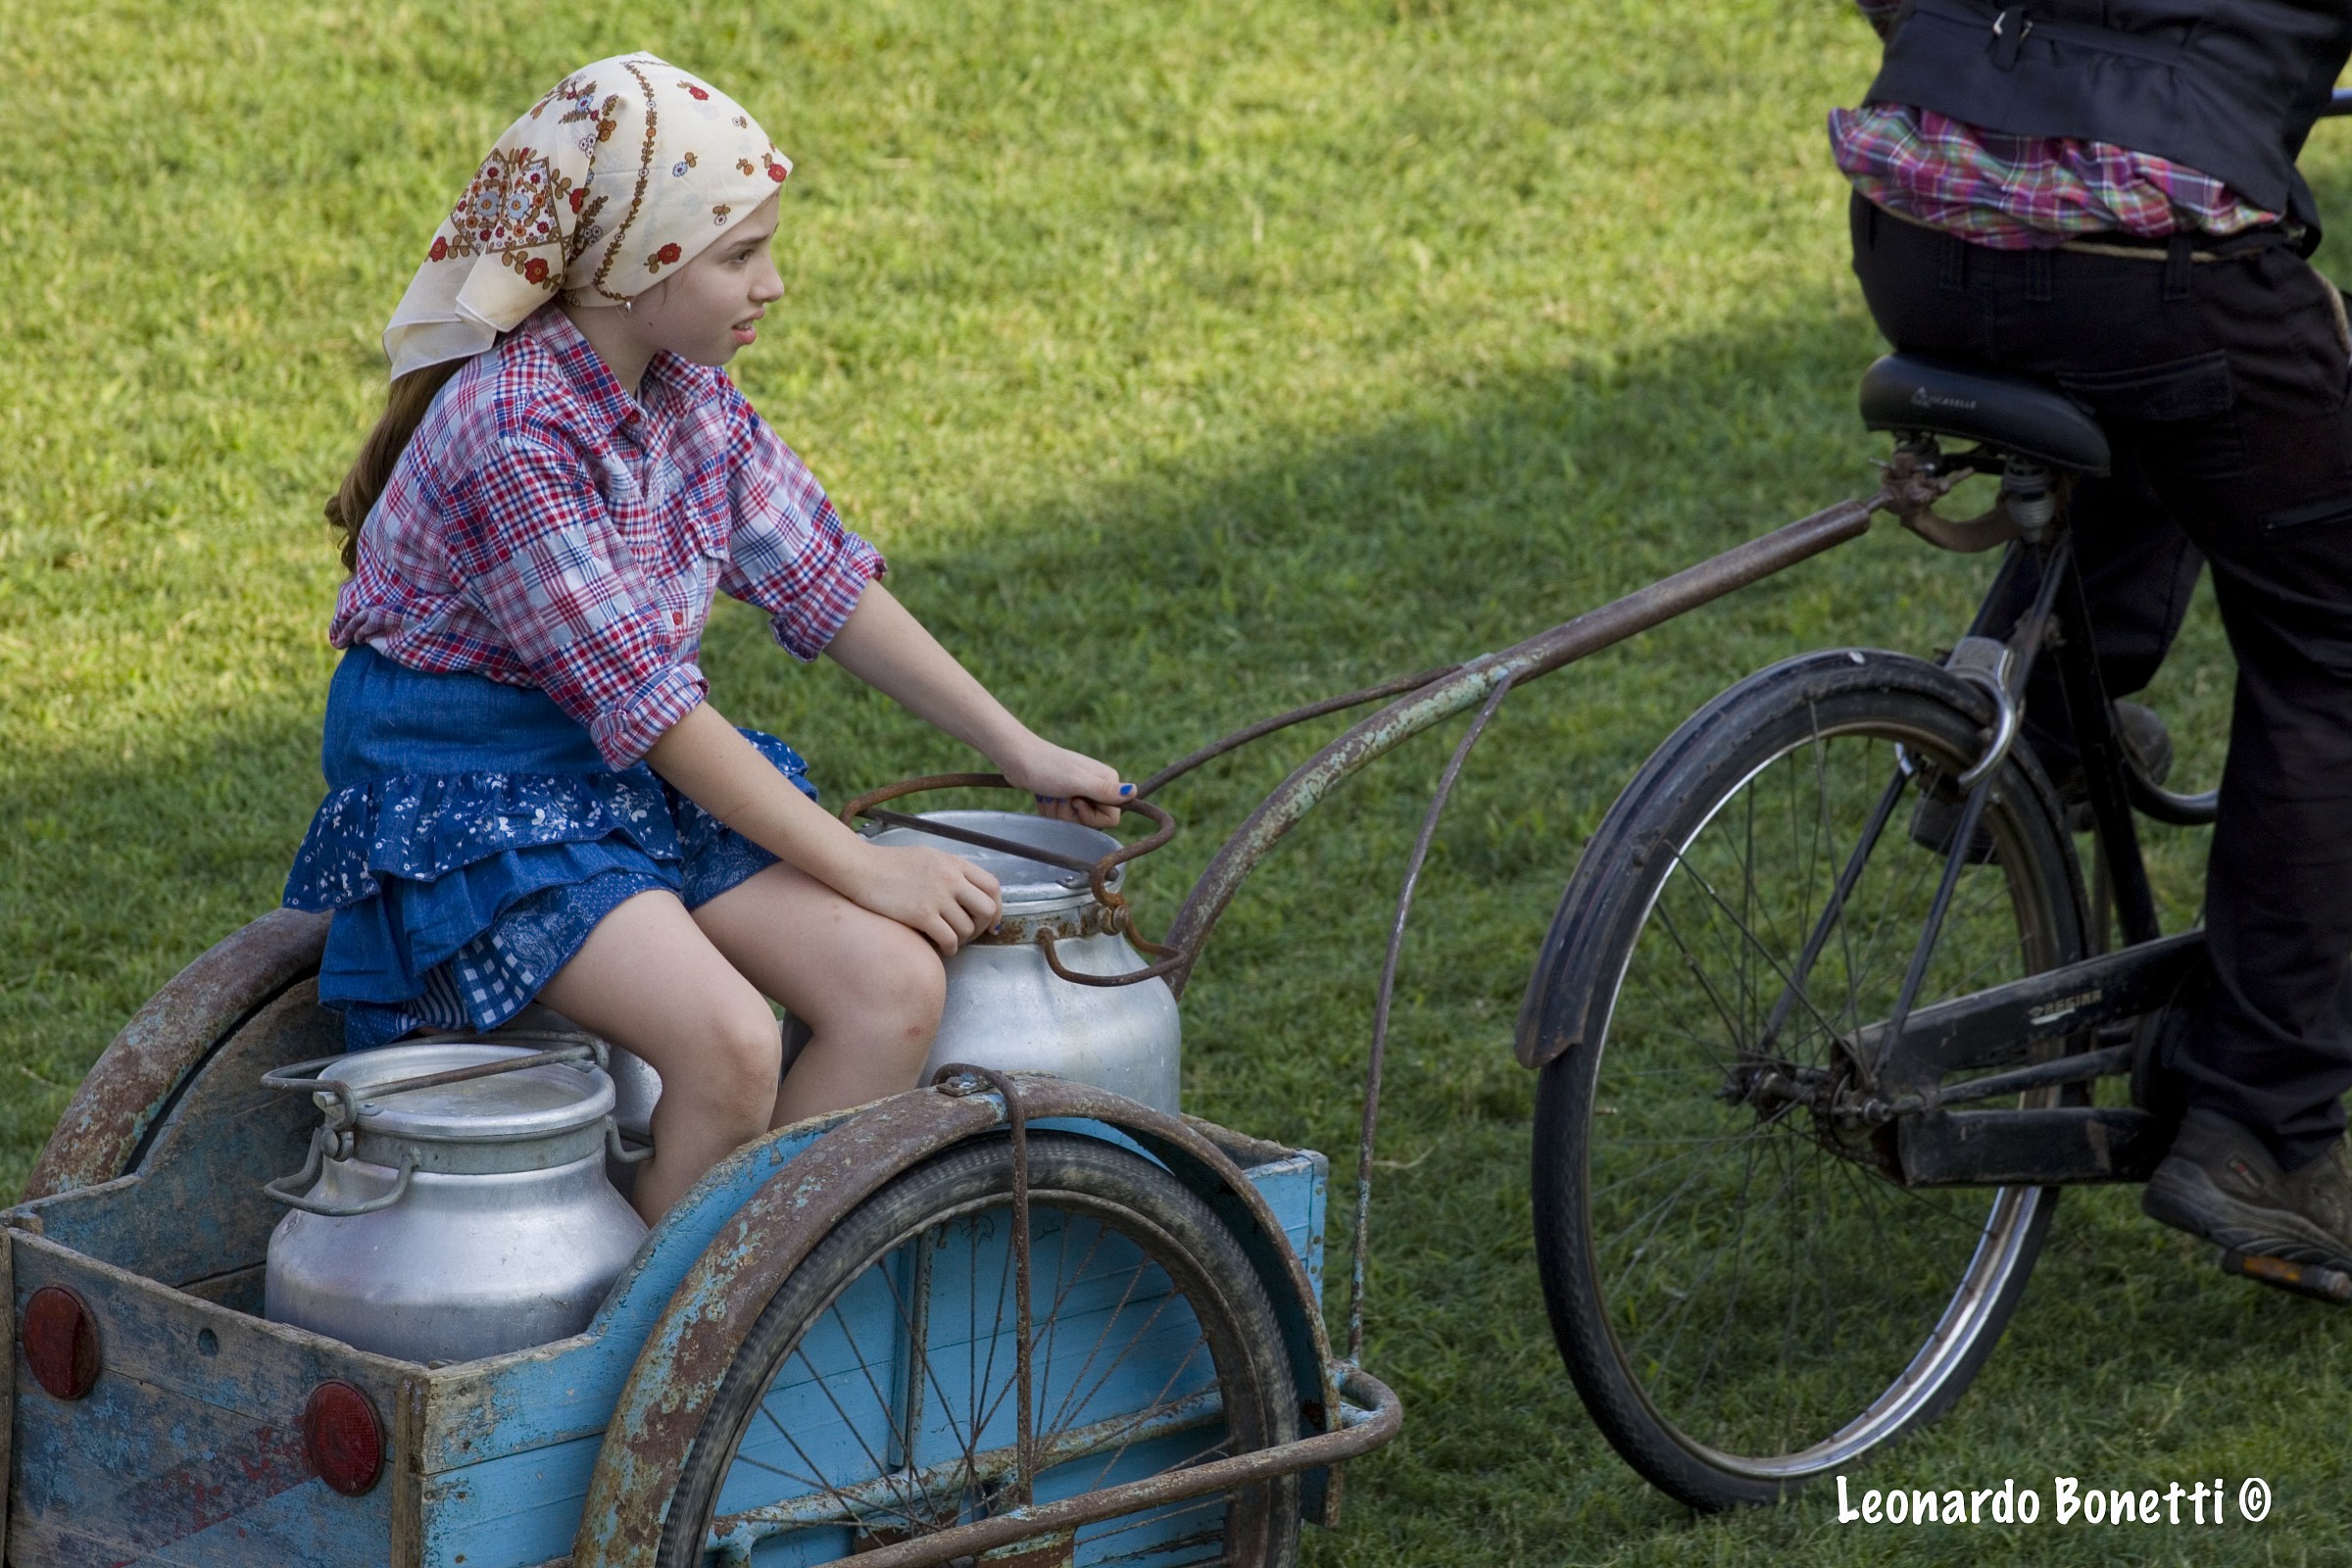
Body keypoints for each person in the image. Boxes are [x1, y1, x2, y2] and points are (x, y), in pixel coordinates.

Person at [284, 55, 1128, 1222]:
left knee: (889, 986)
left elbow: (826, 582)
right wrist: (864, 863)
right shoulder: (512, 435)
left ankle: (754, 1308)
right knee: (728, 1044)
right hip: (474, 799)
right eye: (741, 255)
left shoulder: (689, 393)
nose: (772, 284)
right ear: (634, 271)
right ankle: (639, 1378)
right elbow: (656, 713)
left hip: (609, 770)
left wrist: (1023, 749)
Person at [1831, 2, 2352, 1273]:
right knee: (2335, 642)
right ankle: (2268, 1132)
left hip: (1922, 223)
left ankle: (2037, 740)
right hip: (2154, 266)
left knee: (2177, 422)